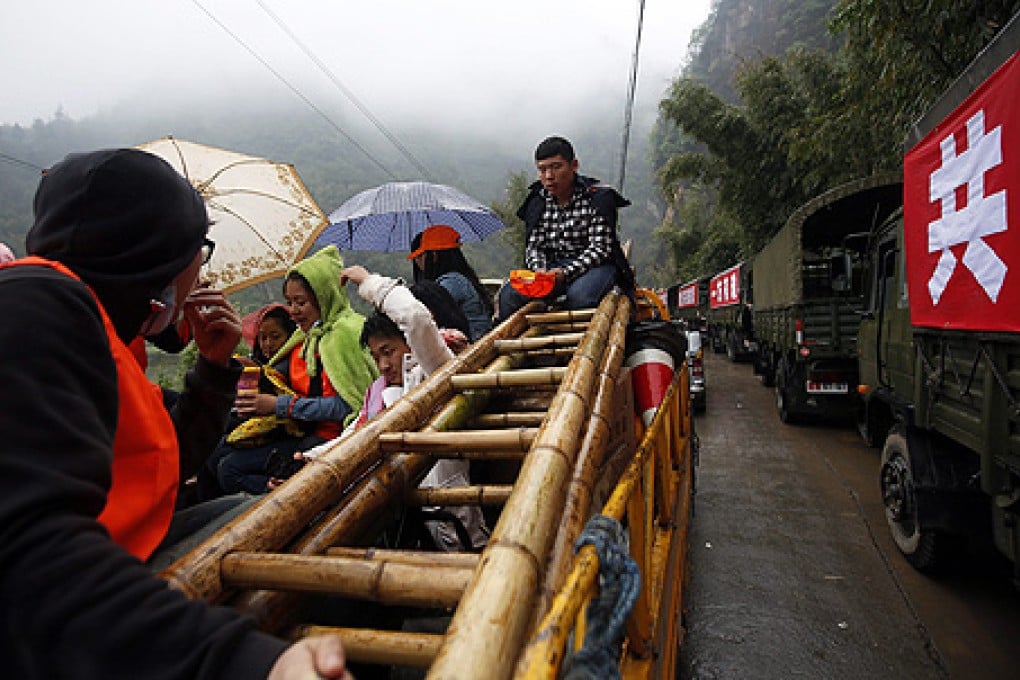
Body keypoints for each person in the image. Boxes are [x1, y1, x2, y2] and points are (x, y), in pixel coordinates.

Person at [0, 148, 351, 679]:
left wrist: (212, 370)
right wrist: (246, 664)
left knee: (250, 506)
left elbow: (160, 464)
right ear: (158, 257)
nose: (202, 273)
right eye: (199, 251)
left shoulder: (100, 330)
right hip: (65, 606)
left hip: (112, 554)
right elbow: (28, 563)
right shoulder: (39, 307)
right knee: (305, 534)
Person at [341, 265, 488, 551]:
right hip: (418, 531)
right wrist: (313, 457)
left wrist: (368, 283)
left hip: (460, 535)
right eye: (375, 357)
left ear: (410, 343)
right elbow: (354, 434)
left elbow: (415, 317)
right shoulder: (383, 393)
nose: (383, 365)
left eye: (388, 351)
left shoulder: (437, 372)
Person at [214, 246, 377, 495]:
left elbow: (352, 406)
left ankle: (280, 505)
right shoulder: (307, 337)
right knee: (219, 452)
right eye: (290, 303)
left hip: (333, 440)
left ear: (323, 297)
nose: (294, 311)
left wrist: (279, 405)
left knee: (230, 470)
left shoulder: (345, 335)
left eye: (301, 302)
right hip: (304, 432)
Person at [496, 135, 635, 321]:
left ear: (574, 165)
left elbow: (600, 249)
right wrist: (540, 271)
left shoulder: (598, 197)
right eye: (542, 169)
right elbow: (534, 246)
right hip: (551, 270)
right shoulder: (537, 201)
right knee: (509, 295)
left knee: (581, 298)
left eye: (556, 167)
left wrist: (565, 273)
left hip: (592, 267)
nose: (548, 176)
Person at [409, 224, 493, 341]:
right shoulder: (457, 278)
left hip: (474, 344)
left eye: (420, 256)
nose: (417, 262)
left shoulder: (451, 283)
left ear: (433, 255)